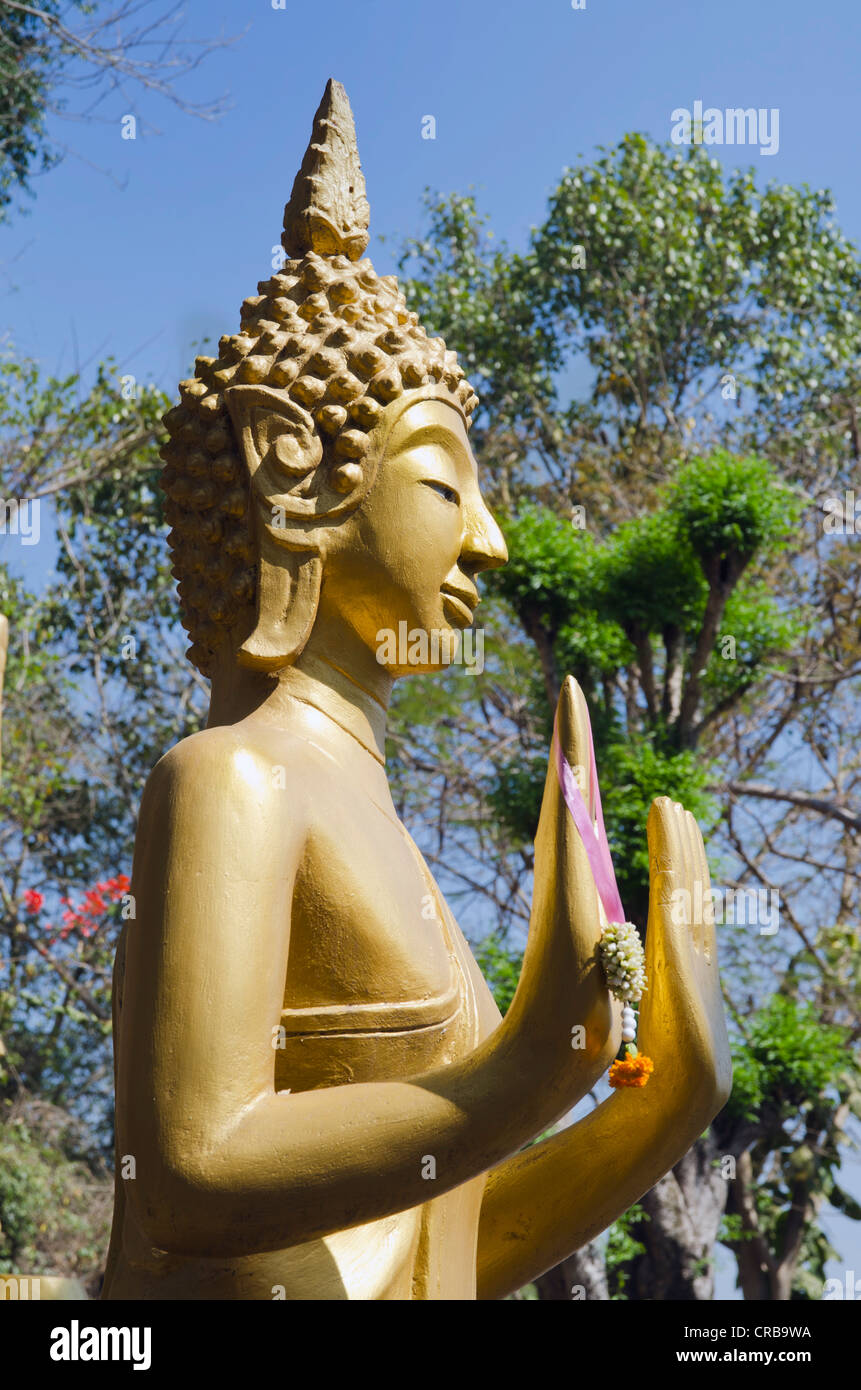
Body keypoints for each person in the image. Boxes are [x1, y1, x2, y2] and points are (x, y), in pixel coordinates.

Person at [102, 80, 730, 1301]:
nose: (489, 541)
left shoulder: (382, 824)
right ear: (293, 475)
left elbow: (448, 1241)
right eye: (447, 485)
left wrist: (661, 1110)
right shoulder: (232, 777)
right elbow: (189, 1167)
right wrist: (531, 1068)